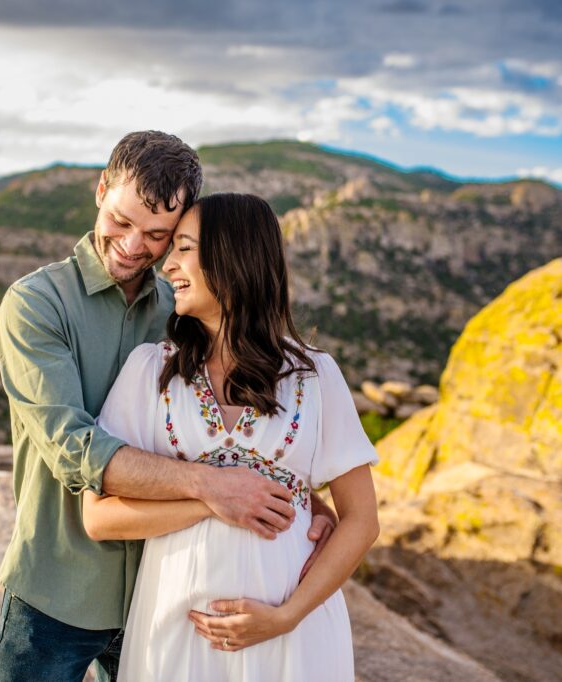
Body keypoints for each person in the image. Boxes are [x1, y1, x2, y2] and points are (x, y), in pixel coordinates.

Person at [0, 132, 340, 682]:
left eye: (158, 236)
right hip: (61, 587)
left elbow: (229, 414)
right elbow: (78, 450)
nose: (133, 246)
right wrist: (213, 487)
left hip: (162, 588)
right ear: (101, 190)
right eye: (121, 221)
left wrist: (297, 496)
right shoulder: (36, 304)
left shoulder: (182, 310)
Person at [82, 193, 381, 681]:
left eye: (183, 248)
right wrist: (214, 499)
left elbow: (362, 520)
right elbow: (98, 518)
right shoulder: (150, 371)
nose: (167, 265)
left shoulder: (314, 375)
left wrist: (287, 616)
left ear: (232, 257)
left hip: (291, 638)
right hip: (172, 630)